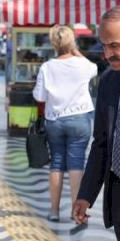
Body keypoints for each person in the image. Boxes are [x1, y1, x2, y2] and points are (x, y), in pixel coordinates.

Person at [73, 6, 120, 241]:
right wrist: (85, 195)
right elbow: (101, 143)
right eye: (105, 46)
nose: (109, 54)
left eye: (115, 45)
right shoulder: (108, 82)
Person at [33, 24, 96, 222]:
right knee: (77, 162)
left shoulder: (47, 67)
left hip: (55, 120)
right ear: (72, 42)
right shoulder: (83, 65)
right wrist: (75, 51)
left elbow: (39, 96)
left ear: (53, 43)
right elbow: (94, 69)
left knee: (57, 163)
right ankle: (76, 213)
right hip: (80, 119)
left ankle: (53, 211)